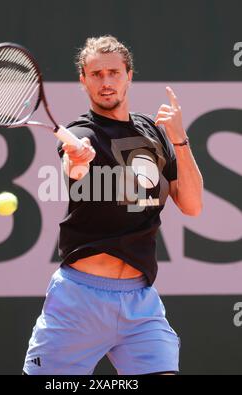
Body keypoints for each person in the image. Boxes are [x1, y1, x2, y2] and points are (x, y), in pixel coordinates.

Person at [23, 35, 203, 375]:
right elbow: (74, 165)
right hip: (79, 302)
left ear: (129, 75)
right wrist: (77, 160)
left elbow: (192, 206)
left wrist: (179, 138)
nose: (106, 82)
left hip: (140, 304)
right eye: (96, 74)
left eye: (113, 73)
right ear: (83, 80)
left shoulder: (155, 131)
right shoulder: (81, 133)